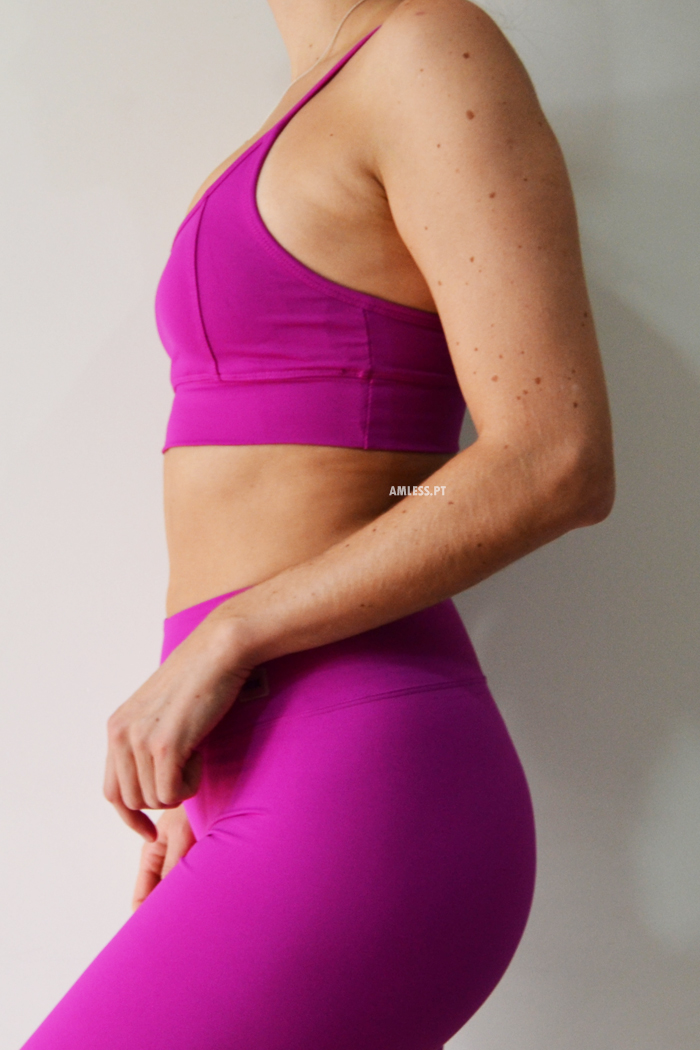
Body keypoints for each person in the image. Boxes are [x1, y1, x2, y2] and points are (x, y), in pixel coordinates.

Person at [21, 0, 614, 1047]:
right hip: (253, 768)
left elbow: (551, 458)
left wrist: (228, 635)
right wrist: (200, 763)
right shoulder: (313, 97)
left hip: (362, 774)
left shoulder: (428, 50)